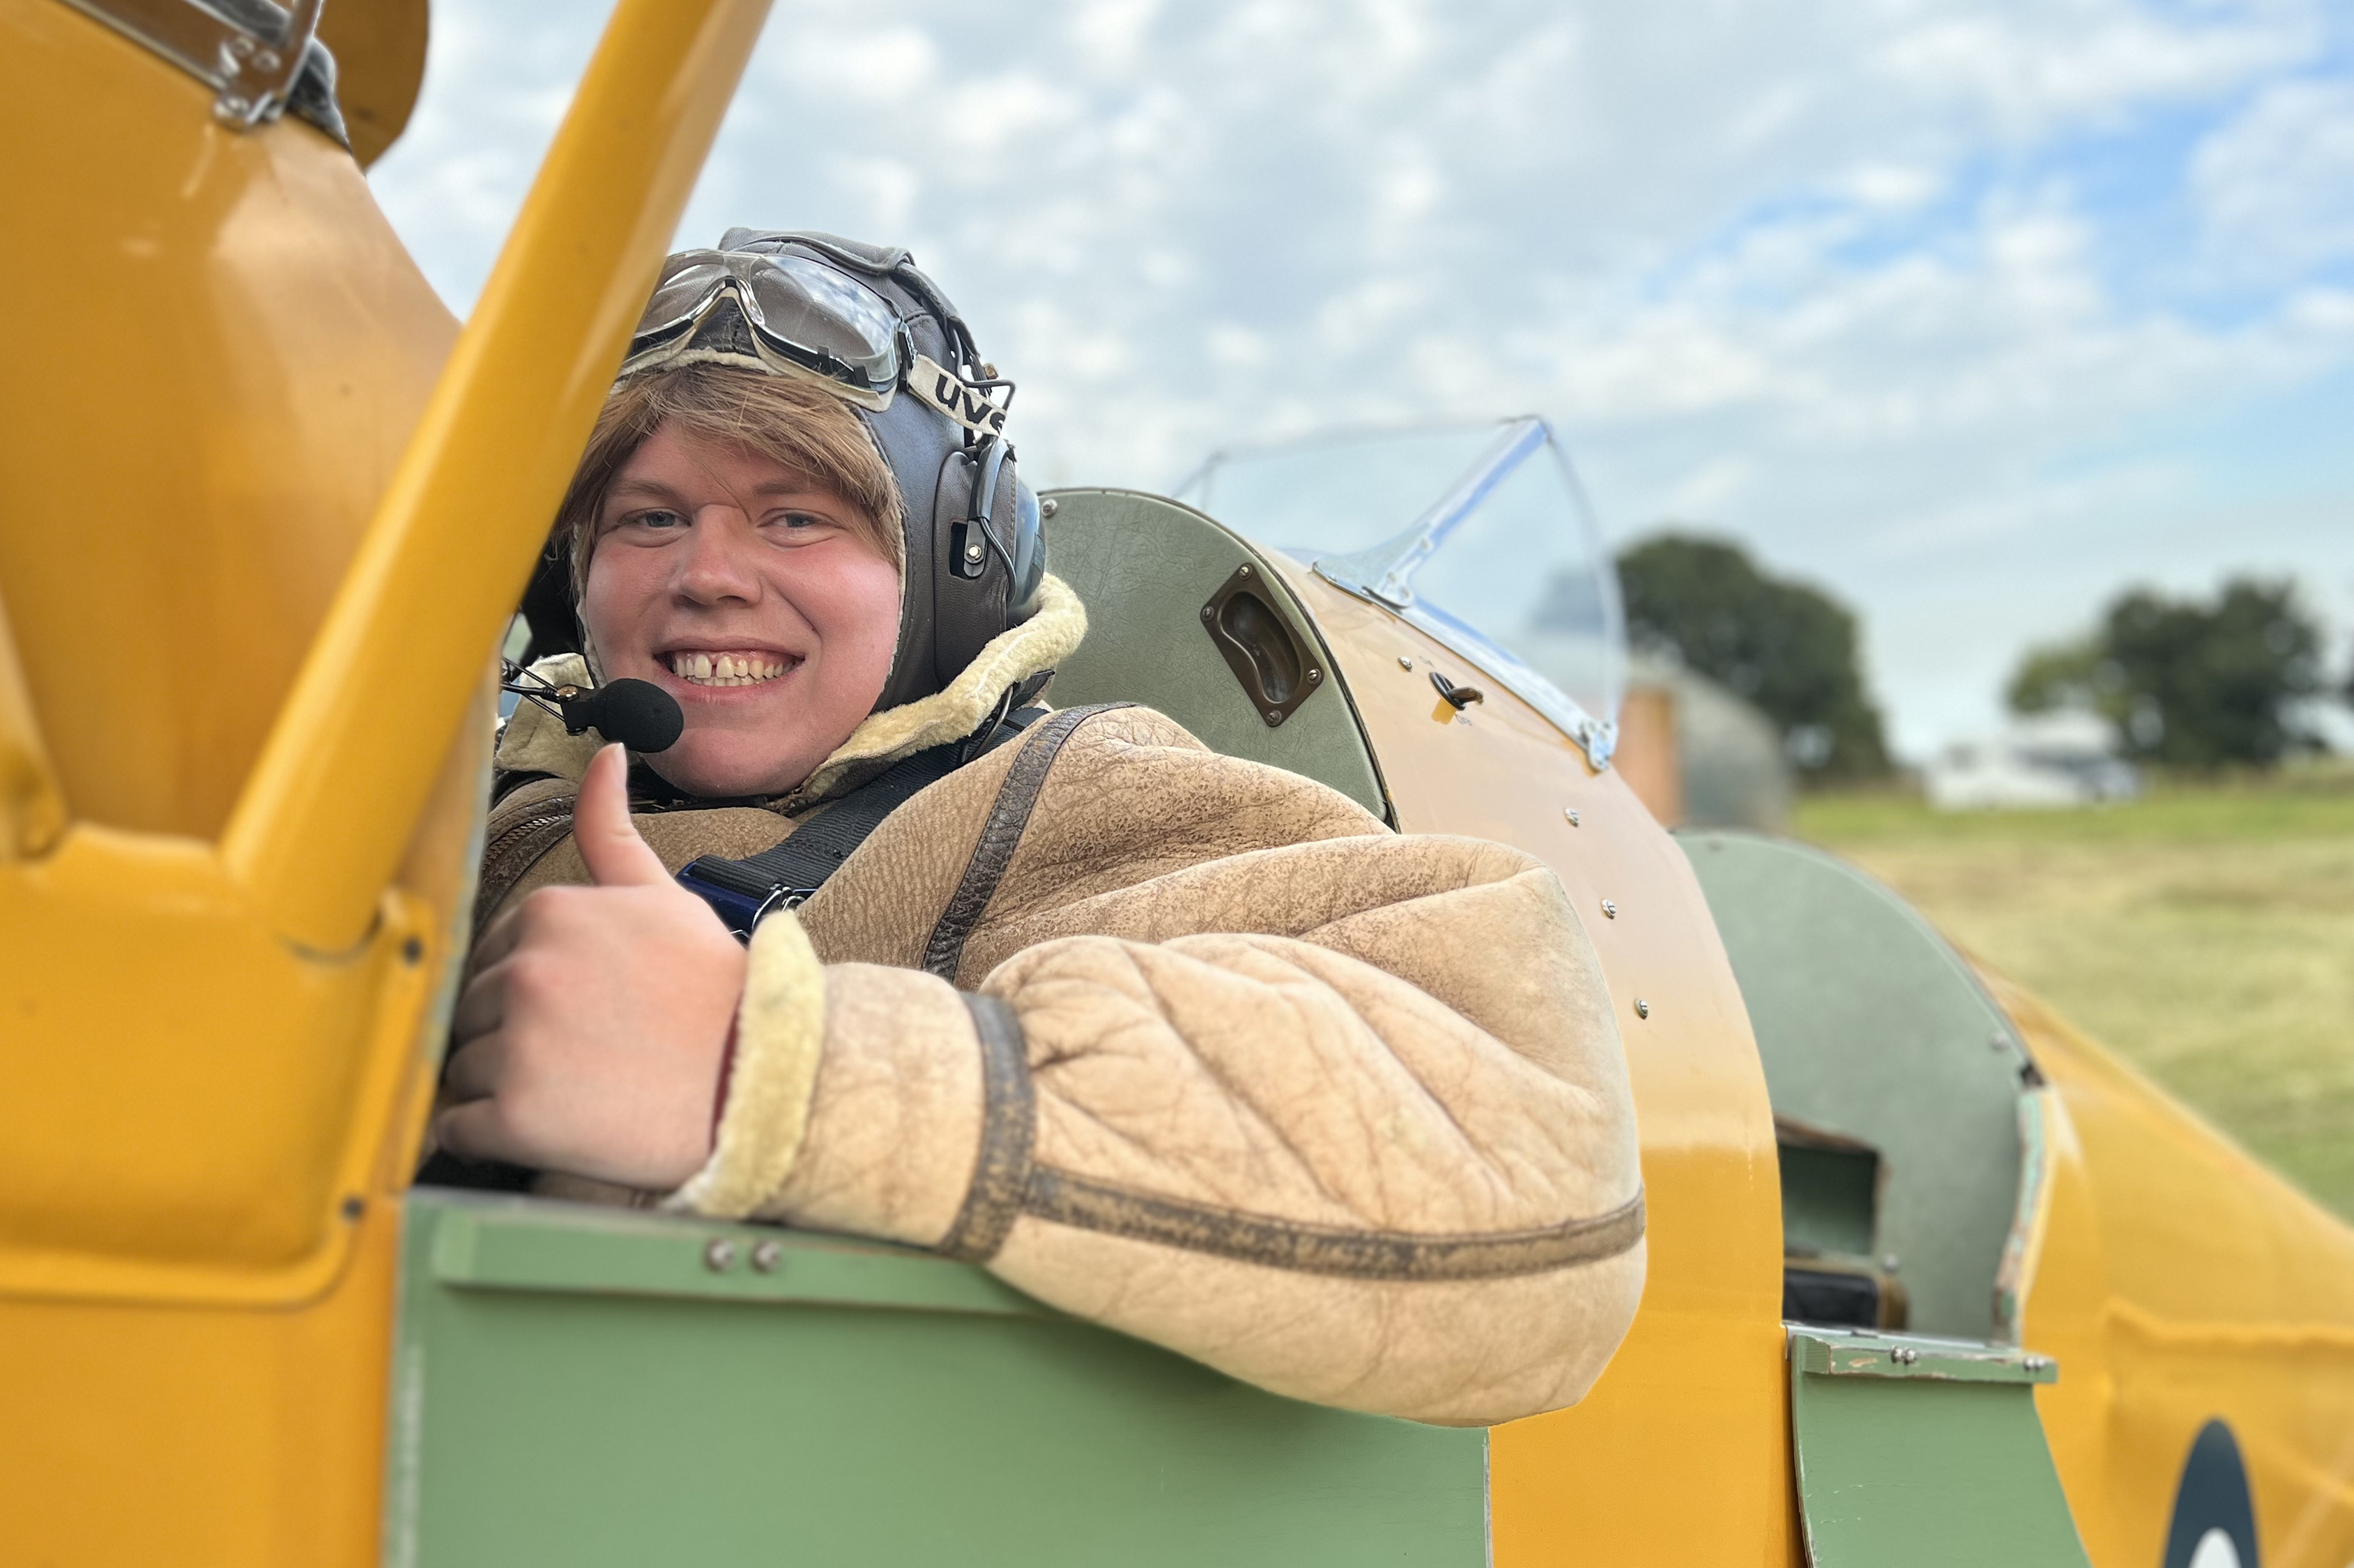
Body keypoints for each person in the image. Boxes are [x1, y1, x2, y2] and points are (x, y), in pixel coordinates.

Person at [431, 231, 1644, 1425]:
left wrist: (776, 1070)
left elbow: (1540, 1149)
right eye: (647, 520)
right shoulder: (480, 811)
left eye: (794, 517)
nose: (708, 573)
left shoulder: (1063, 792)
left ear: (960, 564)